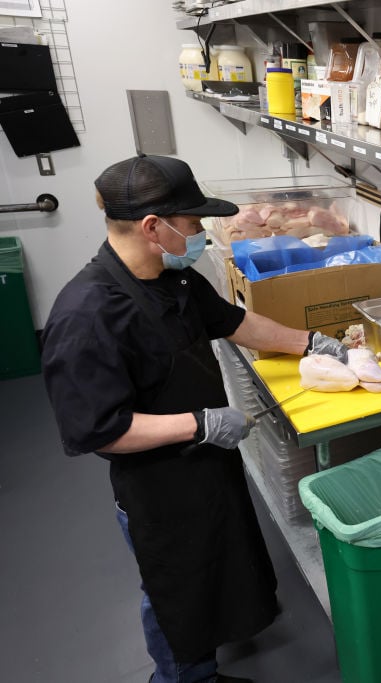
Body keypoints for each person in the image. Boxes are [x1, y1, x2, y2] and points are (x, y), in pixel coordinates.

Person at [40, 154, 350, 683]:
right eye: (193, 223)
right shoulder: (86, 316)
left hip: (205, 470)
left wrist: (311, 343)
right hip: (156, 487)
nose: (202, 231)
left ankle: (201, 669)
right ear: (153, 227)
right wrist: (201, 424)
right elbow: (101, 430)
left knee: (214, 570)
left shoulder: (172, 279)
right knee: (174, 592)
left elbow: (234, 322)